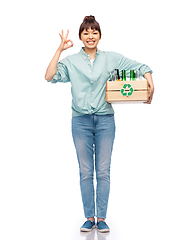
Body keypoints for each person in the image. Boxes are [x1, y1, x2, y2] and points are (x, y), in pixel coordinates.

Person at [45, 15, 154, 233]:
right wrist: (59, 50)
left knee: (103, 171)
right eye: (86, 32)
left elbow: (141, 66)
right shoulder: (71, 62)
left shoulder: (111, 59)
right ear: (80, 37)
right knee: (86, 171)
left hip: (105, 120)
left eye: (94, 32)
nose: (90, 36)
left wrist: (150, 79)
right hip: (80, 121)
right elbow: (49, 76)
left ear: (100, 35)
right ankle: (89, 217)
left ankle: (101, 218)